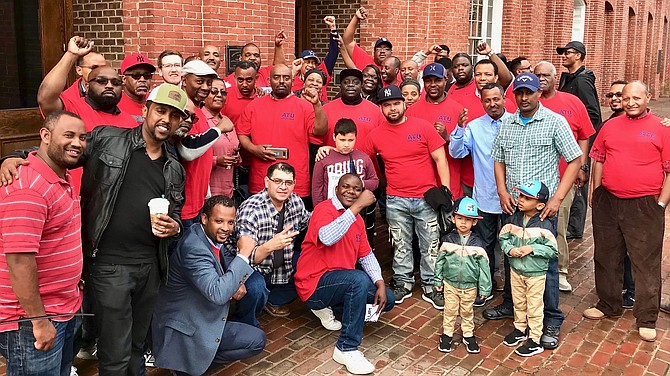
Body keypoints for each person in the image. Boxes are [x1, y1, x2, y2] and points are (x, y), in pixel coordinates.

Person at [0, 83, 189, 374]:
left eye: (175, 115)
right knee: (115, 350)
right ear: (145, 110)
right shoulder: (106, 139)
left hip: (150, 265)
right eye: (161, 110)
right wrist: (13, 157)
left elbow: (175, 211)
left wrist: (174, 226)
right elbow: (59, 152)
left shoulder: (174, 165)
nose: (166, 119)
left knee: (138, 345)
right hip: (110, 265)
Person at [486, 73, 582, 350]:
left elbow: (575, 159)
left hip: (542, 210)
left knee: (545, 266)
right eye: (519, 92)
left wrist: (557, 199)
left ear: (539, 93)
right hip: (513, 206)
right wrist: (502, 191)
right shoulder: (508, 124)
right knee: (512, 258)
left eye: (529, 92)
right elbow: (499, 160)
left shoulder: (555, 122)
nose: (524, 98)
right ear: (513, 94)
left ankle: (551, 318)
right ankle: (513, 307)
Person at [583, 81, 670, 342]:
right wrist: (596, 192)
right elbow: (598, 158)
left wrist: (661, 204)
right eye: (626, 97)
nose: (630, 102)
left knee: (645, 263)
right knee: (606, 255)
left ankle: (646, 317)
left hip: (645, 205)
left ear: (648, 98)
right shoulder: (610, 126)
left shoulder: (661, 129)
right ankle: (608, 304)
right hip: (608, 201)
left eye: (636, 98)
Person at [0, 111, 85, 376]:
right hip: (31, 319)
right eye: (68, 135)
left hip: (63, 308)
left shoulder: (62, 176)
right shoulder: (27, 187)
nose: (78, 143)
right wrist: (38, 320)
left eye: (82, 137)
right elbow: (18, 259)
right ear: (45, 136)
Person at [152, 196, 265, 376]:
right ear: (204, 218)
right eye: (219, 221)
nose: (226, 228)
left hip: (201, 316)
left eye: (230, 222)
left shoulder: (202, 233)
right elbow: (218, 294)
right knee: (255, 340)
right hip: (186, 329)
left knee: (256, 338)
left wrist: (237, 281)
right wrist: (243, 254)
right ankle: (187, 363)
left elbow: (224, 260)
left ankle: (198, 361)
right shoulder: (193, 248)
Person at [360, 85, 450, 309]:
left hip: (426, 197)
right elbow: (362, 158)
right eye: (387, 105)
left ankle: (431, 285)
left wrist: (445, 189)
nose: (392, 108)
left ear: (404, 104)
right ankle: (403, 282)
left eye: (396, 104)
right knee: (400, 244)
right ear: (381, 107)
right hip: (395, 199)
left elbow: (440, 159)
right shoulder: (376, 135)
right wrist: (330, 149)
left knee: (430, 244)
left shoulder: (422, 127)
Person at [295, 174, 394, 375]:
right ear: (336, 189)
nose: (351, 192)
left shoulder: (356, 219)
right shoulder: (324, 209)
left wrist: (380, 282)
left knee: (387, 299)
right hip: (314, 285)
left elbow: (366, 255)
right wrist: (356, 207)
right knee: (357, 280)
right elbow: (327, 237)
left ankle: (338, 310)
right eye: (346, 187)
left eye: (357, 189)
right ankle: (346, 348)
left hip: (340, 283)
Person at [535, 61, 595, 293]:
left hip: (564, 176)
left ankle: (560, 270)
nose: (541, 79)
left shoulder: (572, 102)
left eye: (546, 75)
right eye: (537, 75)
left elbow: (584, 135)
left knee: (559, 224)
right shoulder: (527, 101)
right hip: (534, 178)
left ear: (554, 77)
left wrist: (582, 165)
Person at [449, 83, 511, 302]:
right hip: (484, 196)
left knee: (510, 246)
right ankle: (487, 286)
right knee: (485, 246)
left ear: (504, 98)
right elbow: (457, 152)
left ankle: (511, 294)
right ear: (482, 102)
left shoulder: (514, 123)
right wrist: (459, 128)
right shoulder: (474, 127)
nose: (492, 104)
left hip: (512, 198)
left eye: (496, 99)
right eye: (487, 100)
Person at [237, 64, 328, 200]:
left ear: (292, 81)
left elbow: (320, 132)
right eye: (276, 77)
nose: (281, 81)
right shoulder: (254, 106)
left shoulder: (305, 107)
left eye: (286, 78)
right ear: (269, 80)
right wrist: (253, 149)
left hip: (295, 182)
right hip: (262, 180)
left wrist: (317, 105)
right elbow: (242, 133)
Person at [235, 163, 311, 317]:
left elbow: (309, 221)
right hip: (252, 269)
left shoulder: (295, 201)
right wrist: (270, 246)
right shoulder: (251, 209)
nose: (283, 187)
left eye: (288, 183)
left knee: (312, 272)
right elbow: (245, 259)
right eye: (277, 181)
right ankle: (247, 318)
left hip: (282, 267)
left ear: (294, 184)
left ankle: (270, 300)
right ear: (266, 182)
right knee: (256, 288)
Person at [499, 180, 558, 357]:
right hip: (516, 271)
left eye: (527, 198)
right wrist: (510, 249)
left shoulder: (544, 225)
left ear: (540, 205)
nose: (521, 200)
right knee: (518, 302)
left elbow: (553, 250)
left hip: (536, 274)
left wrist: (532, 248)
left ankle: (535, 339)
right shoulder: (513, 220)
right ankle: (519, 329)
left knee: (534, 306)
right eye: (520, 195)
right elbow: (503, 238)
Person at [556, 41, 602, 240]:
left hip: (578, 139)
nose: (564, 56)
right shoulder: (568, 78)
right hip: (569, 138)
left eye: (568, 52)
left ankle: (574, 227)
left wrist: (580, 133)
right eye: (563, 52)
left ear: (579, 55)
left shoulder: (582, 81)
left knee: (578, 182)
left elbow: (593, 113)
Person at [435, 197, 491, 354]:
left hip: (470, 286)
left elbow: (484, 268)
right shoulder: (447, 240)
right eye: (459, 218)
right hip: (450, 284)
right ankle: (447, 334)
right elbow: (439, 262)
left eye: (468, 219)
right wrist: (437, 279)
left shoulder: (478, 244)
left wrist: (485, 288)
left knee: (467, 311)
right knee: (450, 310)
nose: (463, 222)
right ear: (453, 218)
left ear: (474, 222)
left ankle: (468, 334)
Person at [406, 63, 465, 198]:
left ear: (446, 80)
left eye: (437, 80)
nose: (433, 84)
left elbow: (464, 150)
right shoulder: (413, 110)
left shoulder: (457, 109)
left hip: (450, 181)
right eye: (428, 81)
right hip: (421, 184)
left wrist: (447, 137)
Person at [312, 119, 379, 207]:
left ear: (356, 137)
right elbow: (317, 188)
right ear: (334, 137)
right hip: (331, 207)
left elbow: (375, 181)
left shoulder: (364, 158)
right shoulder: (323, 158)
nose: (346, 144)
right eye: (342, 140)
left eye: (350, 140)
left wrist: (360, 184)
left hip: (358, 208)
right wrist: (319, 209)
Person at [204, 78, 239, 197]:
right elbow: (191, 156)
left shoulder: (226, 120)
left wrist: (237, 157)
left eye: (223, 92)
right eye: (214, 91)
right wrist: (216, 160)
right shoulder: (200, 120)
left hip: (228, 190)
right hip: (208, 192)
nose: (219, 95)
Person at [291, 16, 340, 101]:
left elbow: (333, 53)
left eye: (314, 63)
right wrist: (292, 73)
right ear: (301, 63)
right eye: (308, 62)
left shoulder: (321, 74)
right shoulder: (292, 79)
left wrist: (333, 29)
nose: (311, 65)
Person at [223, 31, 288, 90]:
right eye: (248, 55)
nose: (252, 58)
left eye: (256, 55)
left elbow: (280, 67)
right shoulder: (229, 81)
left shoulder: (266, 74)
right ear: (240, 58)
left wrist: (278, 46)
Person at [118, 53, 156, 123]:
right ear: (124, 79)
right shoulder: (115, 104)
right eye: (136, 75)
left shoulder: (155, 102)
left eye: (146, 76)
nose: (142, 79)